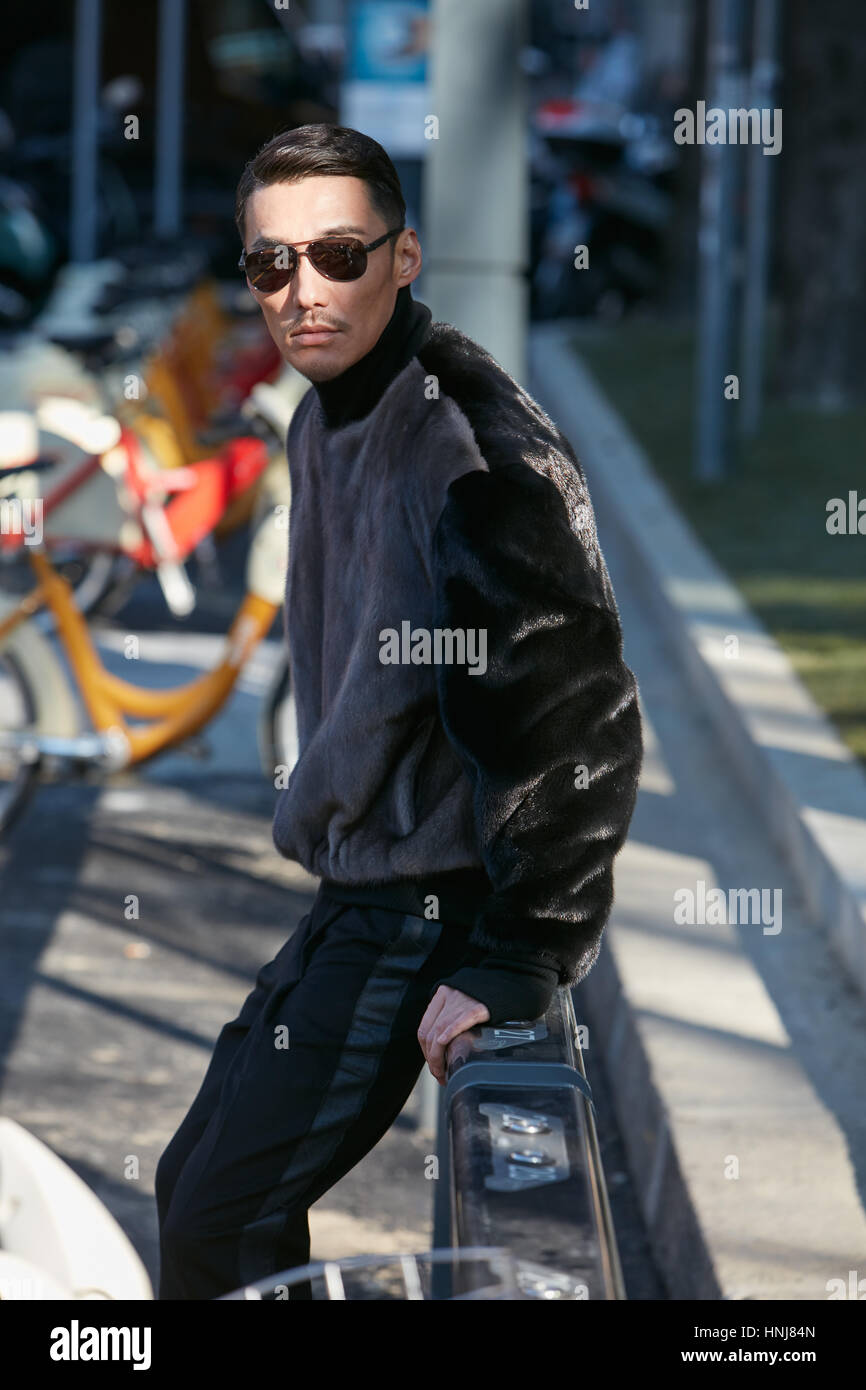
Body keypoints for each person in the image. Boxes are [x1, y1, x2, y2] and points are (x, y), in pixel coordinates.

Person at [155, 123, 643, 1301]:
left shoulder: (468, 449)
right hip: (358, 891)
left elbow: (577, 710)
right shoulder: (326, 407)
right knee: (192, 1187)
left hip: (430, 914)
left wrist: (521, 955)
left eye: (336, 255)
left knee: (223, 1217)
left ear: (403, 255)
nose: (301, 291)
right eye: (272, 264)